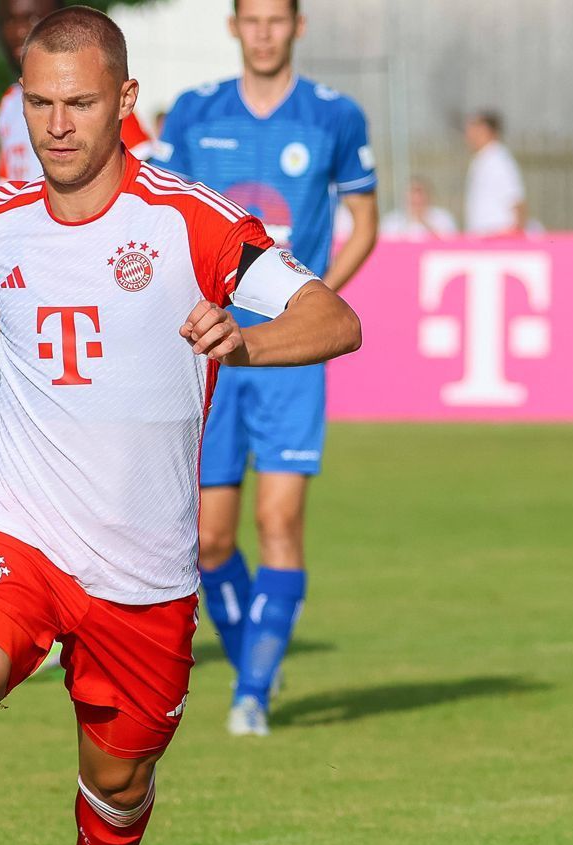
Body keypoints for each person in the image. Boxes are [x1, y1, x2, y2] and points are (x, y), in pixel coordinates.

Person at [0, 10, 361, 845]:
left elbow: (333, 318)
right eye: (41, 103)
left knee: (118, 794)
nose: (57, 125)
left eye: (79, 102)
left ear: (124, 99)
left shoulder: (192, 222)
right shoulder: (1, 222)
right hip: (17, 523)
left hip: (144, 569)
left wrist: (246, 341)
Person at [154, 0, 378, 736]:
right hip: (211, 350)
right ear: (234, 27)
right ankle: (259, 653)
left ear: (296, 27)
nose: (263, 30)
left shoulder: (334, 116)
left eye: (276, 19)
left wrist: (317, 303)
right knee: (211, 541)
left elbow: (364, 221)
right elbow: (165, 218)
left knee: (278, 519)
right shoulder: (192, 113)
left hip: (289, 360)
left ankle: (250, 693)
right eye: (251, 18)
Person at [0, 0, 152, 373]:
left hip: (100, 294)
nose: (21, 31)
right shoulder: (10, 108)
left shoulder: (95, 107)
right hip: (30, 296)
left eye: (32, 19)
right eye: (11, 20)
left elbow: (154, 192)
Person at [463, 110, 527, 237]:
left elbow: (516, 201)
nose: (468, 134)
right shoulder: (483, 159)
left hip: (497, 238)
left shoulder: (498, 160)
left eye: (473, 127)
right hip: (483, 238)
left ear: (485, 130)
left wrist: (514, 236)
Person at [380, 177, 458, 240]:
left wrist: (425, 223)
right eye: (412, 192)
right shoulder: (392, 220)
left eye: (420, 192)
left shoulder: (443, 218)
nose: (416, 197)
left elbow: (450, 244)